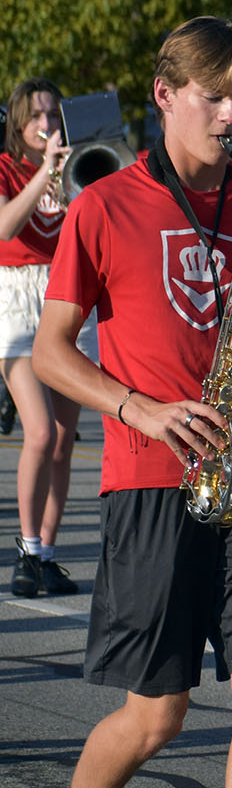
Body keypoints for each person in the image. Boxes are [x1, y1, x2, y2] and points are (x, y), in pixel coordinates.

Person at [32, 16, 232, 788]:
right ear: (165, 95)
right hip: (152, 476)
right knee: (158, 714)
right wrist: (140, 409)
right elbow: (51, 352)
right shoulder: (104, 204)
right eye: (215, 97)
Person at [2, 78, 83, 597]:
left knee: (64, 441)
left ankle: (48, 554)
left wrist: (68, 176)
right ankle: (26, 550)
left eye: (53, 114)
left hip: (63, 296)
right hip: (16, 300)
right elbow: (7, 227)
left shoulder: (76, 165)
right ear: (17, 121)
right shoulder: (7, 167)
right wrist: (44, 175)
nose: (46, 124)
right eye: (35, 115)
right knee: (40, 433)